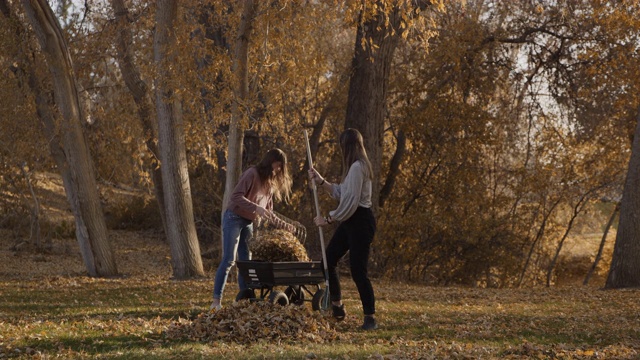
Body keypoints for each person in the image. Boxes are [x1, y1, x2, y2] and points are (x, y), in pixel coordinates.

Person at [308, 128, 378, 330]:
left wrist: (328, 219)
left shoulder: (358, 167)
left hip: (361, 222)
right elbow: (341, 193)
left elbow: (351, 203)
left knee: (358, 270)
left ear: (348, 146)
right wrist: (321, 181)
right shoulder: (353, 169)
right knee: (328, 260)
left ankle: (370, 317)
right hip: (350, 221)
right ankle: (337, 306)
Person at [210, 148, 292, 311]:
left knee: (246, 262)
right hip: (233, 217)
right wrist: (256, 208)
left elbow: (268, 213)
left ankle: (245, 300)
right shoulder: (252, 174)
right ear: (270, 162)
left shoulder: (270, 183)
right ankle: (216, 301)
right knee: (229, 259)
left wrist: (285, 225)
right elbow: (236, 197)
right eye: (277, 165)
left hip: (248, 222)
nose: (279, 170)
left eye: (281, 167)